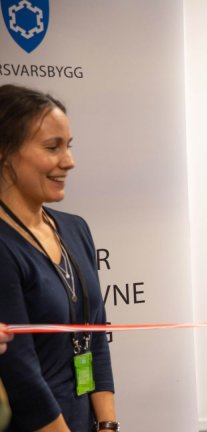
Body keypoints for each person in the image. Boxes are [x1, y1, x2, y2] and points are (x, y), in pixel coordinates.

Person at [0, 84, 119, 432]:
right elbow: (22, 375)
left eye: (68, 146)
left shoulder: (75, 229)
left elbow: (95, 336)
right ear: (5, 153)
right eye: (52, 148)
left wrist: (108, 424)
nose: (69, 161)